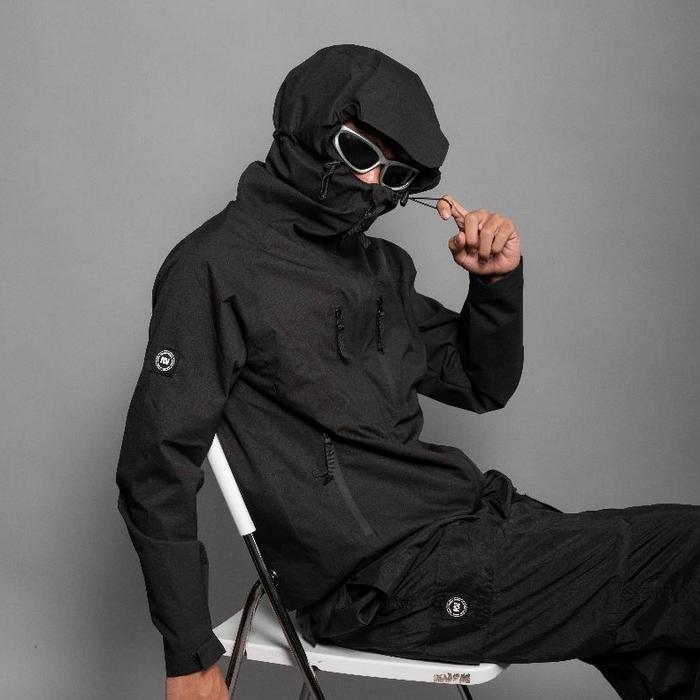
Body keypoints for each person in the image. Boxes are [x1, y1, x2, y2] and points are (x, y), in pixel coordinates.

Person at [116, 44, 700, 700]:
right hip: (382, 586)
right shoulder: (215, 268)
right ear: (307, 129)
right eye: (359, 152)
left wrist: (496, 286)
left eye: (394, 175)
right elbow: (155, 470)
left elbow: (480, 382)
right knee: (686, 556)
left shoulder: (377, 268)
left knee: (662, 637)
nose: (373, 184)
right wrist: (189, 653)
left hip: (467, 526)